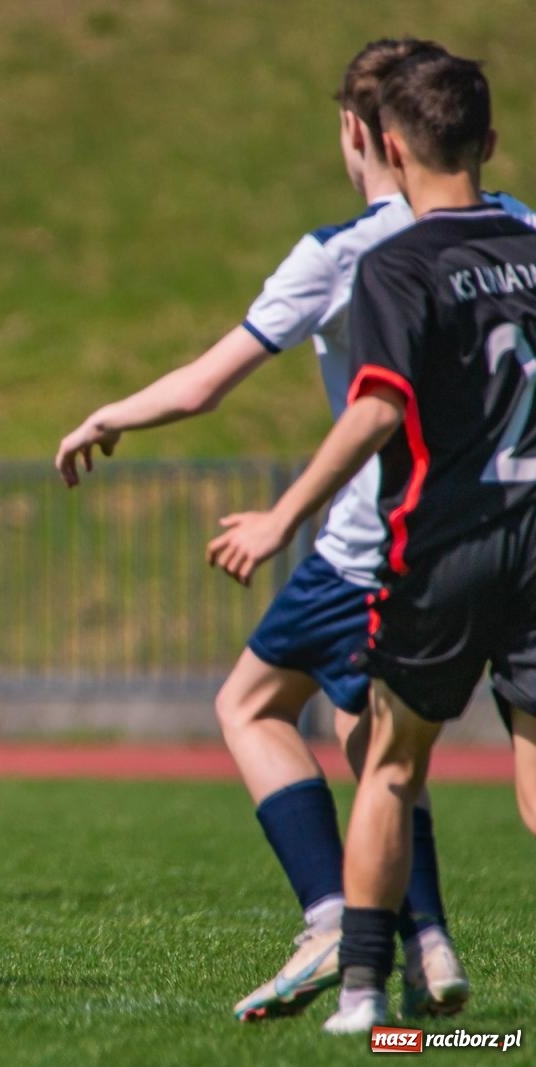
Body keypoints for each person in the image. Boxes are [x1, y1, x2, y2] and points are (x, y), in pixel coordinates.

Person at [54, 39, 534, 1022]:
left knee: (311, 728)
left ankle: (347, 938)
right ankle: (425, 942)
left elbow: (215, 385)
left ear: (365, 136)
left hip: (390, 541)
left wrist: (113, 416)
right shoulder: (523, 227)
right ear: (480, 135)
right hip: (517, 529)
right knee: (378, 743)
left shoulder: (358, 254)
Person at [205, 51, 536, 1033]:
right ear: (487, 141)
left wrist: (282, 513)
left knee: (389, 761)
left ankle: (363, 996)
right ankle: (420, 948)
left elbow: (378, 407)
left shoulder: (393, 261)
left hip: (443, 544)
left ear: (385, 145)